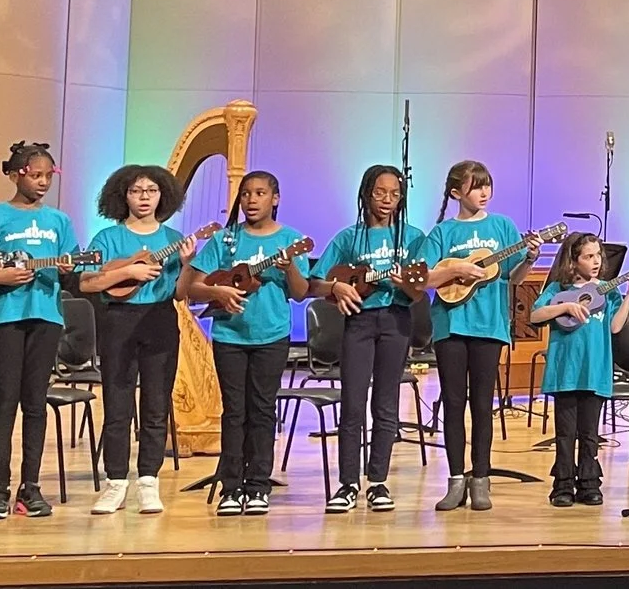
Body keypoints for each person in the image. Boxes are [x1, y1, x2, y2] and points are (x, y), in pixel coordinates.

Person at [0, 141, 77, 520]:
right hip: (5, 317)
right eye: (35, 175)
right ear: (15, 175)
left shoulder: (59, 221)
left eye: (48, 176)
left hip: (46, 318)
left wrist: (69, 270)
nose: (43, 183)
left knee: (35, 402)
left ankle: (31, 487)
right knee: (5, 401)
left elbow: (73, 275)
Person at [179, 170, 309, 516]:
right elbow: (193, 287)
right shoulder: (225, 239)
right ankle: (232, 487)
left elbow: (300, 293)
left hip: (272, 335)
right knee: (234, 411)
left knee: (263, 410)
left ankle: (258, 485)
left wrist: (289, 268)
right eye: (247, 193)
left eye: (260, 193)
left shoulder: (290, 239)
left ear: (275, 199)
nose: (252, 200)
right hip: (229, 336)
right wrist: (218, 292)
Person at [307, 165, 427, 513]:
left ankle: (378, 482)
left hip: (396, 320)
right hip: (358, 322)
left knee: (386, 403)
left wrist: (406, 283)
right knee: (353, 403)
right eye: (380, 192)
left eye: (395, 194)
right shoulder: (349, 238)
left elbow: (419, 292)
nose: (387, 200)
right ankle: (347, 484)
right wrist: (336, 288)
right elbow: (315, 282)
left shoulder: (413, 237)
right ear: (365, 194)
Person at [77, 164, 193, 515]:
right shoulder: (108, 238)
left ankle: (148, 482)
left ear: (163, 196)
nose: (144, 197)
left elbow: (179, 294)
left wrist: (187, 264)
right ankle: (115, 482)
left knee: (156, 404)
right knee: (117, 403)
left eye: (151, 191)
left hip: (160, 319)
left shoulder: (173, 238)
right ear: (123, 196)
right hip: (118, 321)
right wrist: (128, 271)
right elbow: (86, 282)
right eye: (136, 191)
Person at [423, 160, 536, 512]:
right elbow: (424, 277)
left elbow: (514, 278)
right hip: (450, 325)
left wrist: (529, 259)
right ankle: (456, 479)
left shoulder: (502, 226)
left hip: (489, 325)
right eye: (476, 187)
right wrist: (457, 268)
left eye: (487, 185)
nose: (484, 192)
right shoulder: (442, 232)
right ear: (457, 192)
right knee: (453, 402)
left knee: (483, 405)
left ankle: (481, 479)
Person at [528, 233, 629, 507]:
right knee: (565, 434)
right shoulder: (558, 289)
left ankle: (589, 483)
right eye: (589, 256)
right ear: (573, 261)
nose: (596, 261)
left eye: (598, 255)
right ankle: (563, 485)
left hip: (594, 371)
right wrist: (566, 307)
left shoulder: (607, 290)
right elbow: (535, 315)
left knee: (590, 434)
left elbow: (615, 327)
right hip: (565, 371)